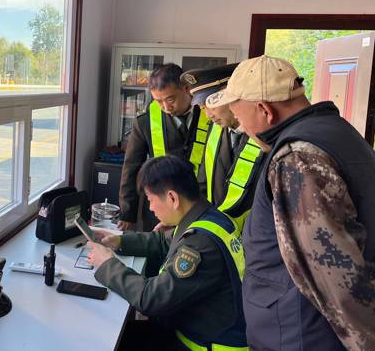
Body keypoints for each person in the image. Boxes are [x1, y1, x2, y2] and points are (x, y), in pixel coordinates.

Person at [207, 55, 375, 350]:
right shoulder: (338, 131)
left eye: (239, 116)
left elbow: (335, 275)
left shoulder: (297, 158)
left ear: (265, 110)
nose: (242, 127)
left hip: (299, 335)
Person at [88, 155, 247, 351]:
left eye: (150, 200)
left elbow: (151, 298)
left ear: (172, 198)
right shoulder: (208, 216)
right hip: (192, 330)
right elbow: (164, 241)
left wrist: (107, 264)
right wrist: (119, 241)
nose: (150, 208)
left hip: (200, 345)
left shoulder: (201, 245)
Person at [118, 63, 210, 232]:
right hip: (159, 209)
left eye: (170, 99)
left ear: (186, 89)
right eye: (159, 101)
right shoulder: (145, 122)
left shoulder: (211, 115)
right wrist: (127, 212)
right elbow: (131, 168)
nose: (166, 108)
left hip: (199, 206)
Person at [182, 64, 264, 229]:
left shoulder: (264, 134)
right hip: (219, 231)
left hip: (252, 234)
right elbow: (203, 184)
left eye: (211, 103)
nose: (208, 114)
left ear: (231, 94)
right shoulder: (215, 130)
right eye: (202, 107)